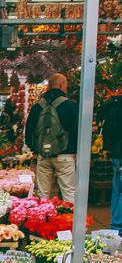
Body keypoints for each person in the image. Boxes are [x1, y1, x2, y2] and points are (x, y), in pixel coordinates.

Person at [24, 73, 79, 202]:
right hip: (65, 156)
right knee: (69, 192)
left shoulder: (37, 106)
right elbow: (77, 130)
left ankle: (44, 218)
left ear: (49, 86)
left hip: (43, 155)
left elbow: (29, 131)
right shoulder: (72, 106)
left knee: (42, 194)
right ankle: (68, 220)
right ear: (61, 85)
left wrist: (36, 149)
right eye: (66, 85)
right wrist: (74, 150)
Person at [101, 93, 122, 233]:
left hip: (116, 152)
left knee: (117, 189)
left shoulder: (114, 104)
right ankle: (117, 225)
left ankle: (115, 225)